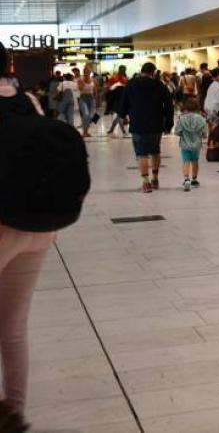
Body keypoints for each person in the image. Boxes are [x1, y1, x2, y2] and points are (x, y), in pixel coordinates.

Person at [0, 43, 56, 433]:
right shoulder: (29, 103)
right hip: (38, 227)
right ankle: (14, 416)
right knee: (13, 327)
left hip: (3, 224)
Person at [118, 62, 175, 193]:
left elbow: (124, 102)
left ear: (141, 71)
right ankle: (155, 179)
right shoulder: (159, 85)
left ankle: (146, 182)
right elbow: (169, 105)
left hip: (138, 123)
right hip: (156, 123)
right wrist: (169, 124)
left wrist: (123, 115)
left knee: (141, 154)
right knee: (155, 151)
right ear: (153, 72)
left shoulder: (131, 84)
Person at [175, 96, 208, 190]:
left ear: (186, 107)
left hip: (185, 145)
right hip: (196, 145)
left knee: (186, 161)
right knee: (195, 161)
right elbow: (204, 134)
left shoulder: (182, 119)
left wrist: (182, 134)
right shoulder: (201, 119)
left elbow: (177, 132)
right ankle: (194, 179)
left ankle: (186, 179)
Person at [105, 65, 129, 136]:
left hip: (119, 100)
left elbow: (109, 88)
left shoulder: (124, 78)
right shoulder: (118, 78)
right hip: (117, 100)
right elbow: (109, 88)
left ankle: (111, 130)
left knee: (119, 115)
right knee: (119, 115)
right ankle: (123, 131)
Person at [76, 65, 96, 137]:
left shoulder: (92, 79)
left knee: (90, 116)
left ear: (90, 72)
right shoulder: (80, 79)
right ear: (83, 72)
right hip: (83, 98)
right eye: (85, 71)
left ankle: (86, 131)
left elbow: (94, 89)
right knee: (86, 114)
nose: (87, 72)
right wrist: (83, 82)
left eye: (88, 71)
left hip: (91, 98)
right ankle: (84, 132)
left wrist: (96, 99)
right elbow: (80, 89)